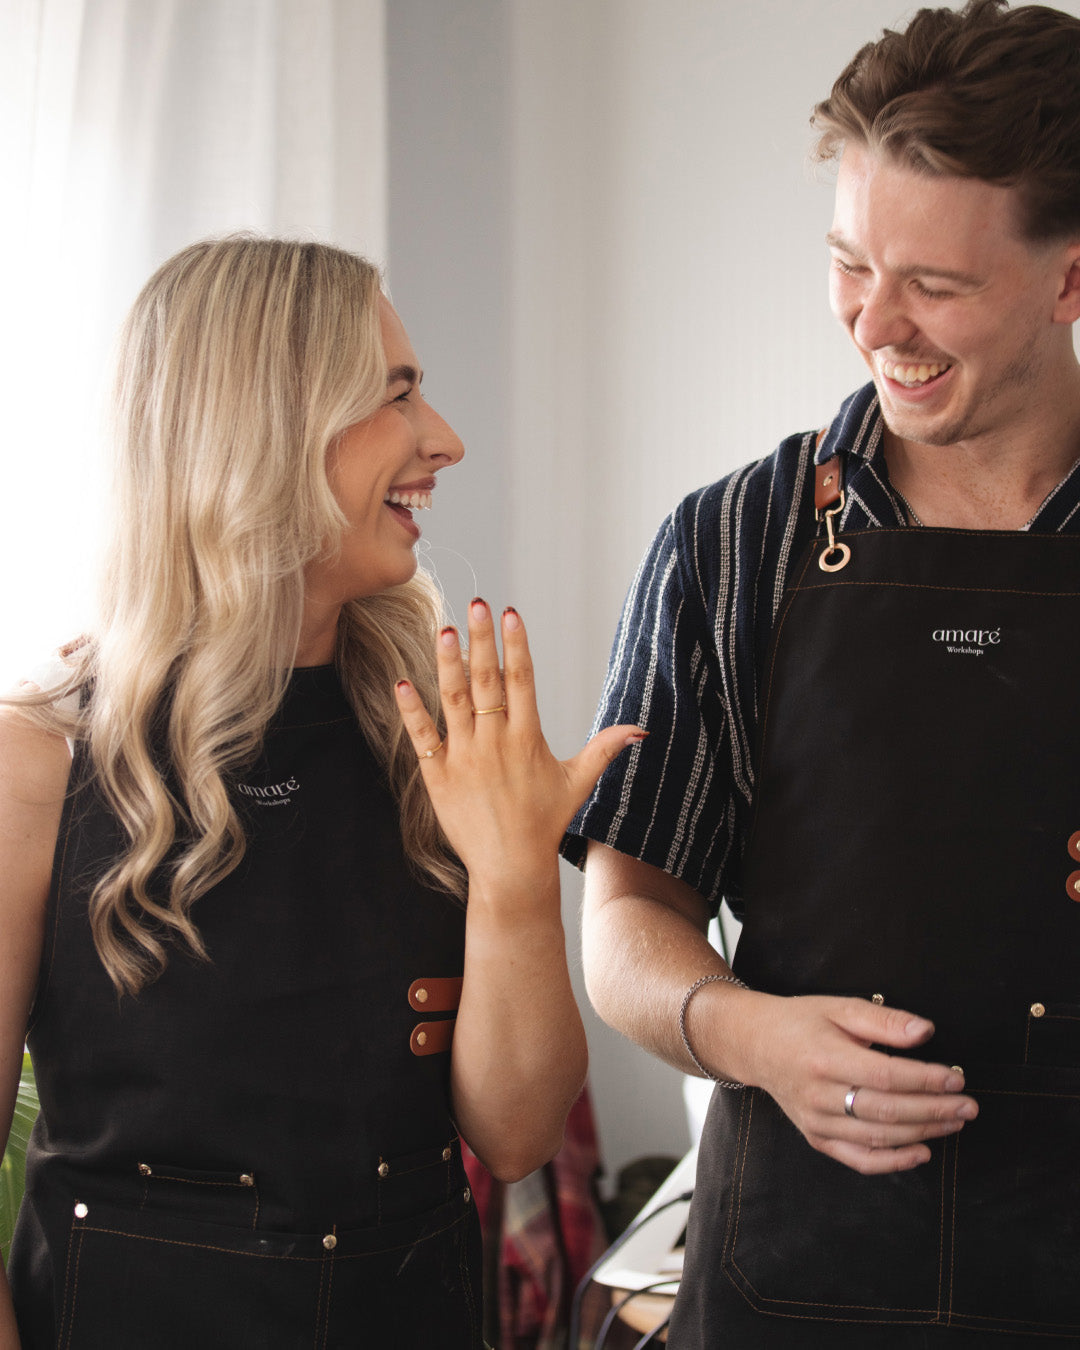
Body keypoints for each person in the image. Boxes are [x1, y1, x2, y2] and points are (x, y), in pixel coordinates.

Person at [0, 236, 643, 1349]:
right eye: (397, 395)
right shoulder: (37, 762)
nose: (443, 440)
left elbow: (519, 1133)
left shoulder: (431, 739)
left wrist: (514, 873)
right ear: (264, 429)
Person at [566, 1, 1080, 1344]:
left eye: (938, 286)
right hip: (800, 1268)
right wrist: (748, 1035)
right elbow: (624, 920)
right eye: (850, 261)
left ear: (1073, 278)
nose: (875, 322)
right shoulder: (730, 542)